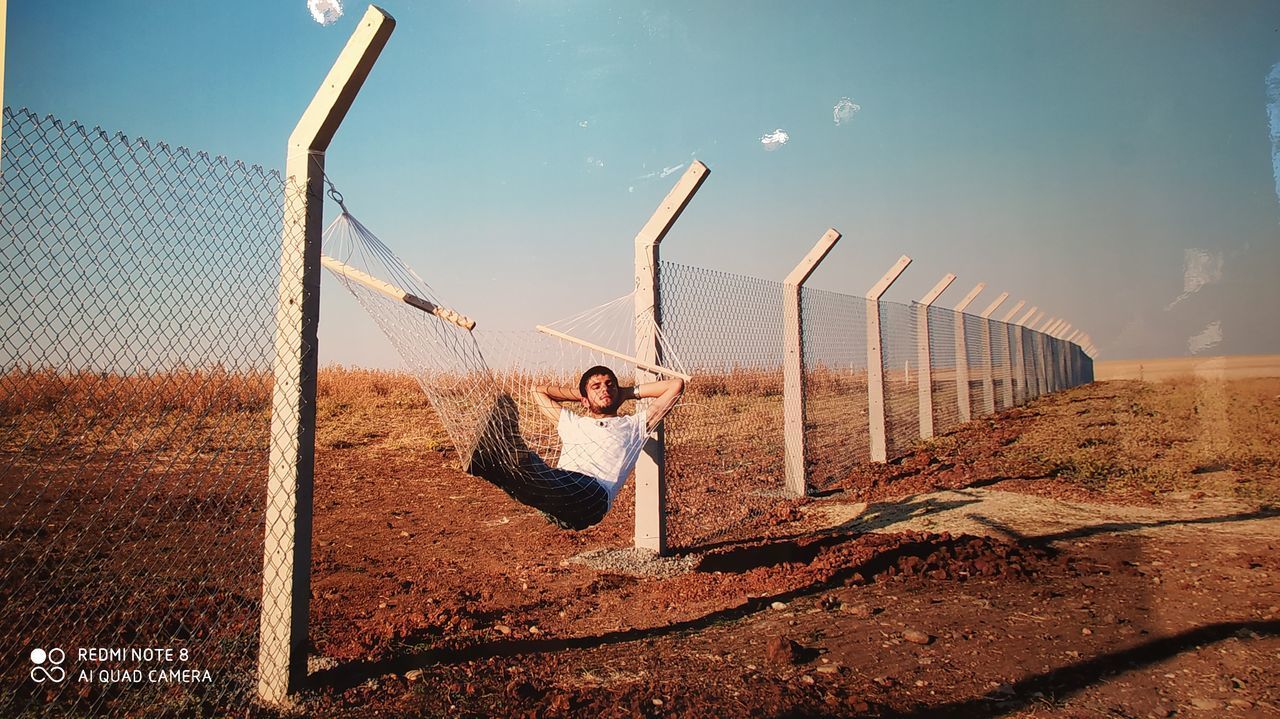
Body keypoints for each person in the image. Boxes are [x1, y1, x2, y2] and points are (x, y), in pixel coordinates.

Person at [464, 365, 684, 530]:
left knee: (538, 472)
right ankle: (485, 465)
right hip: (558, 499)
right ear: (585, 400)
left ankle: (511, 451)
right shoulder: (572, 422)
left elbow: (675, 385)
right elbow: (538, 391)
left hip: (593, 495)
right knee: (524, 482)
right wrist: (582, 396)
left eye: (610, 385)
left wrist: (624, 392)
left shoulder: (635, 425)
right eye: (596, 387)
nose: (605, 389)